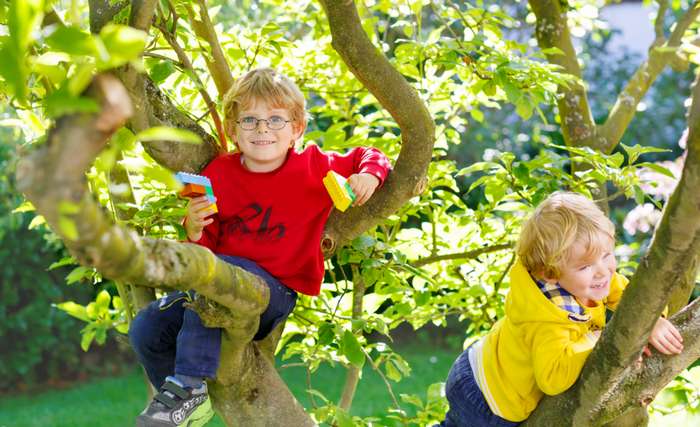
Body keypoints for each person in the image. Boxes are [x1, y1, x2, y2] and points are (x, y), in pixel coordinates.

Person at [129, 67, 392, 427]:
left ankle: (190, 382)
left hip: (273, 292)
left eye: (275, 120)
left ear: (297, 129)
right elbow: (204, 251)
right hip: (218, 287)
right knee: (146, 327)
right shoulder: (219, 175)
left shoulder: (313, 166)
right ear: (233, 130)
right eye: (249, 120)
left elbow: (371, 154)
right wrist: (192, 228)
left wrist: (367, 175)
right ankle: (186, 402)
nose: (262, 129)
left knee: (219, 281)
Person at [438, 191, 684, 426]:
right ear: (550, 274)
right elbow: (553, 377)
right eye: (585, 266)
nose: (603, 270)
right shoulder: (547, 318)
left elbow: (626, 293)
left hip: (482, 365)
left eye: (607, 255)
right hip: (487, 397)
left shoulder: (588, 283)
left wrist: (651, 321)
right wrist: (604, 339)